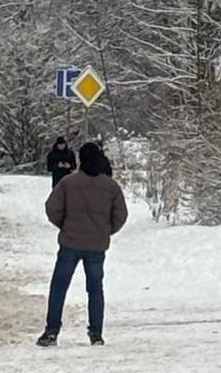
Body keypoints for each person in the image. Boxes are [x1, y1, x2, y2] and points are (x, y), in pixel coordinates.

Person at [39, 141, 128, 347]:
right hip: (97, 246)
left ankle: (52, 331)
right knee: (95, 289)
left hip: (70, 242)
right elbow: (121, 215)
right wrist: (105, 230)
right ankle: (96, 332)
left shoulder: (68, 183)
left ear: (80, 159)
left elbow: (52, 208)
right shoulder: (111, 186)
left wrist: (64, 226)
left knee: (59, 287)